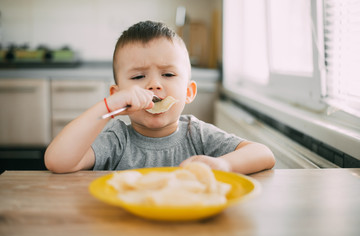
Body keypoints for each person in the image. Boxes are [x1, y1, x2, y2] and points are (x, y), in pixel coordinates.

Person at [44, 21, 275, 174]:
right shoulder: (116, 140)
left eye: (168, 74)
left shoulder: (199, 136)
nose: (154, 84)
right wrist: (107, 109)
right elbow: (57, 161)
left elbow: (264, 154)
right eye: (138, 76)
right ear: (118, 95)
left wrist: (223, 164)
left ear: (188, 92)